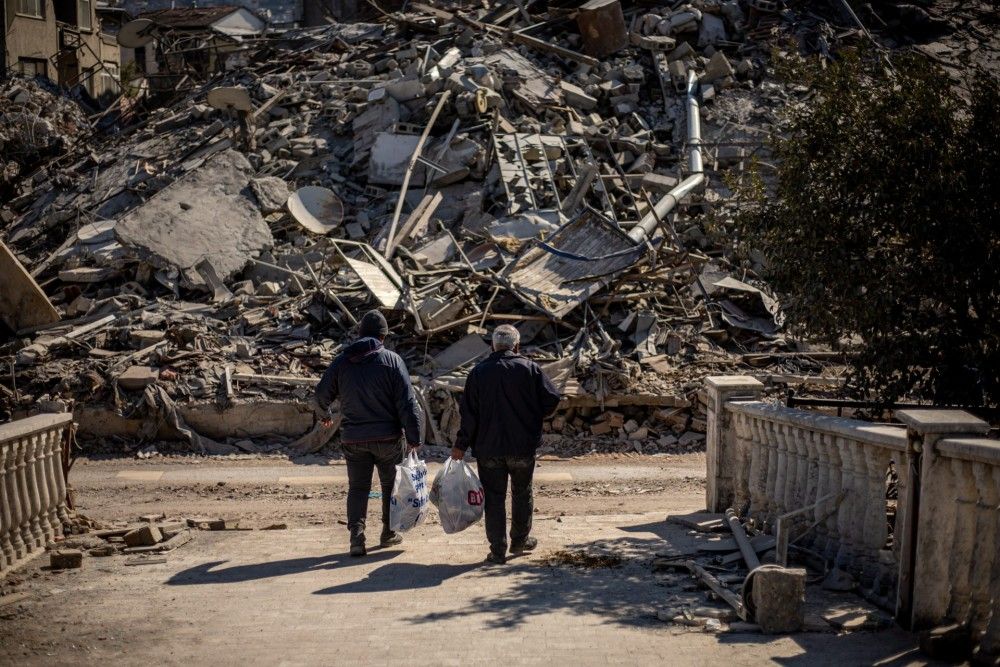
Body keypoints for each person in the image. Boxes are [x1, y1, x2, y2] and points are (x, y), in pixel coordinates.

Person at [315, 310, 423, 557]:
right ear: (383, 336)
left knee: (358, 487)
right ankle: (388, 533)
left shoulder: (342, 361)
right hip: (388, 439)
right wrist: (415, 439)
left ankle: (356, 536)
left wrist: (325, 415)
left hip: (353, 439)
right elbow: (407, 403)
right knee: (389, 487)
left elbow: (321, 395)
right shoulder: (393, 361)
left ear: (360, 334)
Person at [453, 324, 561, 564]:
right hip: (522, 446)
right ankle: (520, 541)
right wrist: (535, 415)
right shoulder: (530, 369)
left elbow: (468, 415)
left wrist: (460, 445)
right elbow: (552, 398)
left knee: (494, 497)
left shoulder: (479, 373)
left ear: (493, 346)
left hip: (489, 449)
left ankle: (498, 549)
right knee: (522, 492)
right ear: (517, 345)